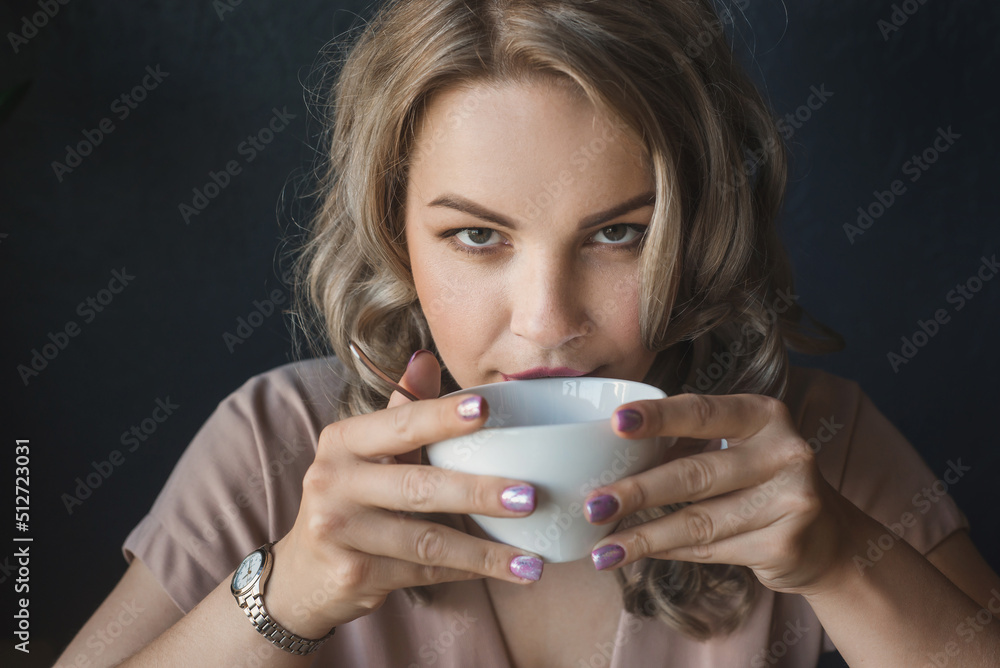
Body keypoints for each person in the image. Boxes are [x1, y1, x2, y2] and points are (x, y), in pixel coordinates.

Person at [56, 0, 1000, 666]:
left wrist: (840, 562)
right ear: (395, 236)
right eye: (476, 235)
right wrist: (287, 596)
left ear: (699, 229)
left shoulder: (803, 449)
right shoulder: (273, 445)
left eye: (618, 234)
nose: (548, 321)